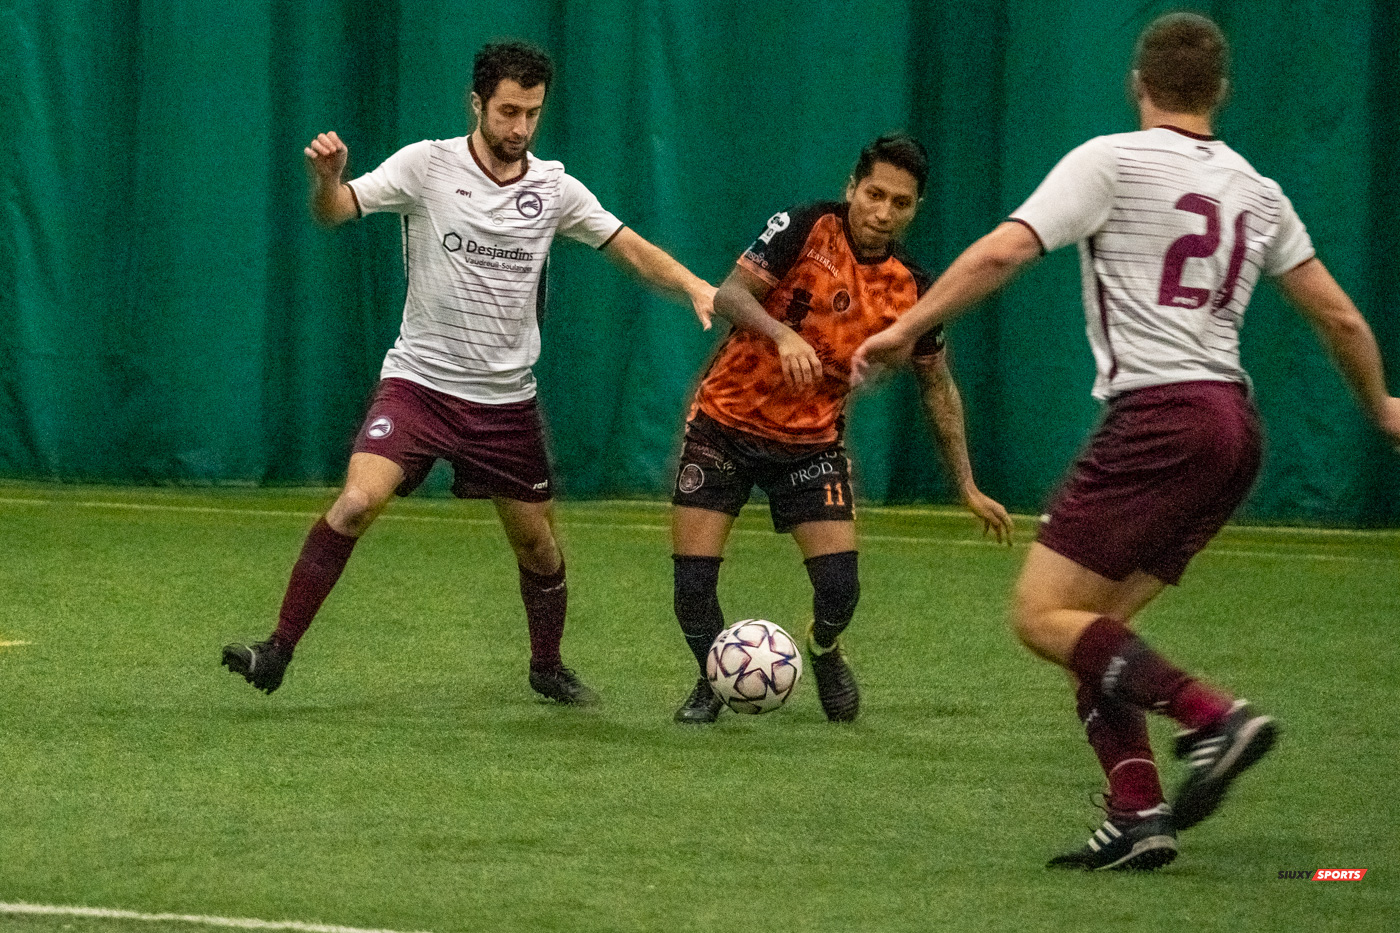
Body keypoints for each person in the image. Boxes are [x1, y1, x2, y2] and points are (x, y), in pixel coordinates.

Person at [853, 13, 1400, 870]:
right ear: (1219, 91)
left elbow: (1004, 252)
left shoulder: (1111, 159)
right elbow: (1337, 314)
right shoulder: (1257, 190)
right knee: (1095, 635)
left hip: (1159, 419)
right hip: (1233, 430)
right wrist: (1384, 407)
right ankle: (1139, 811)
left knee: (1040, 614)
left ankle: (1216, 717)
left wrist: (905, 327)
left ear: (1137, 83)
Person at [222, 41, 715, 703]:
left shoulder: (554, 187)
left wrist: (692, 286)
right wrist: (327, 181)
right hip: (419, 385)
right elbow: (335, 212)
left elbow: (624, 244)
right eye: (508, 111)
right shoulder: (425, 166)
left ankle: (546, 665)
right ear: (476, 103)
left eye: (532, 114)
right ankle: (276, 651)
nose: (519, 127)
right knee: (356, 502)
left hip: (505, 404)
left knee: (539, 548)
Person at [670, 134, 1013, 725]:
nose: (882, 212)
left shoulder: (913, 287)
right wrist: (781, 334)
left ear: (916, 208)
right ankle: (714, 677)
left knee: (839, 589)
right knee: (693, 586)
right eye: (873, 194)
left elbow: (937, 385)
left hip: (812, 443)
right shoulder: (805, 227)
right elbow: (730, 293)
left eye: (900, 203)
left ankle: (824, 648)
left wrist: (967, 485)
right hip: (723, 425)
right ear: (852, 187)